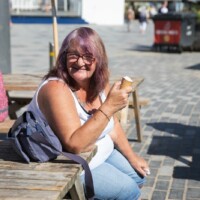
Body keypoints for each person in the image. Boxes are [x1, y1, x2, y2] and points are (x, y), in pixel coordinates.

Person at [27, 27, 149, 200]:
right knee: (130, 192)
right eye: (73, 54)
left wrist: (132, 156)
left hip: (101, 152)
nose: (80, 61)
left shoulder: (98, 82)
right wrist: (108, 107)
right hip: (75, 164)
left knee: (138, 177)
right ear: (63, 56)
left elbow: (112, 123)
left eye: (88, 56)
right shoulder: (56, 88)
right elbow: (75, 145)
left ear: (98, 60)